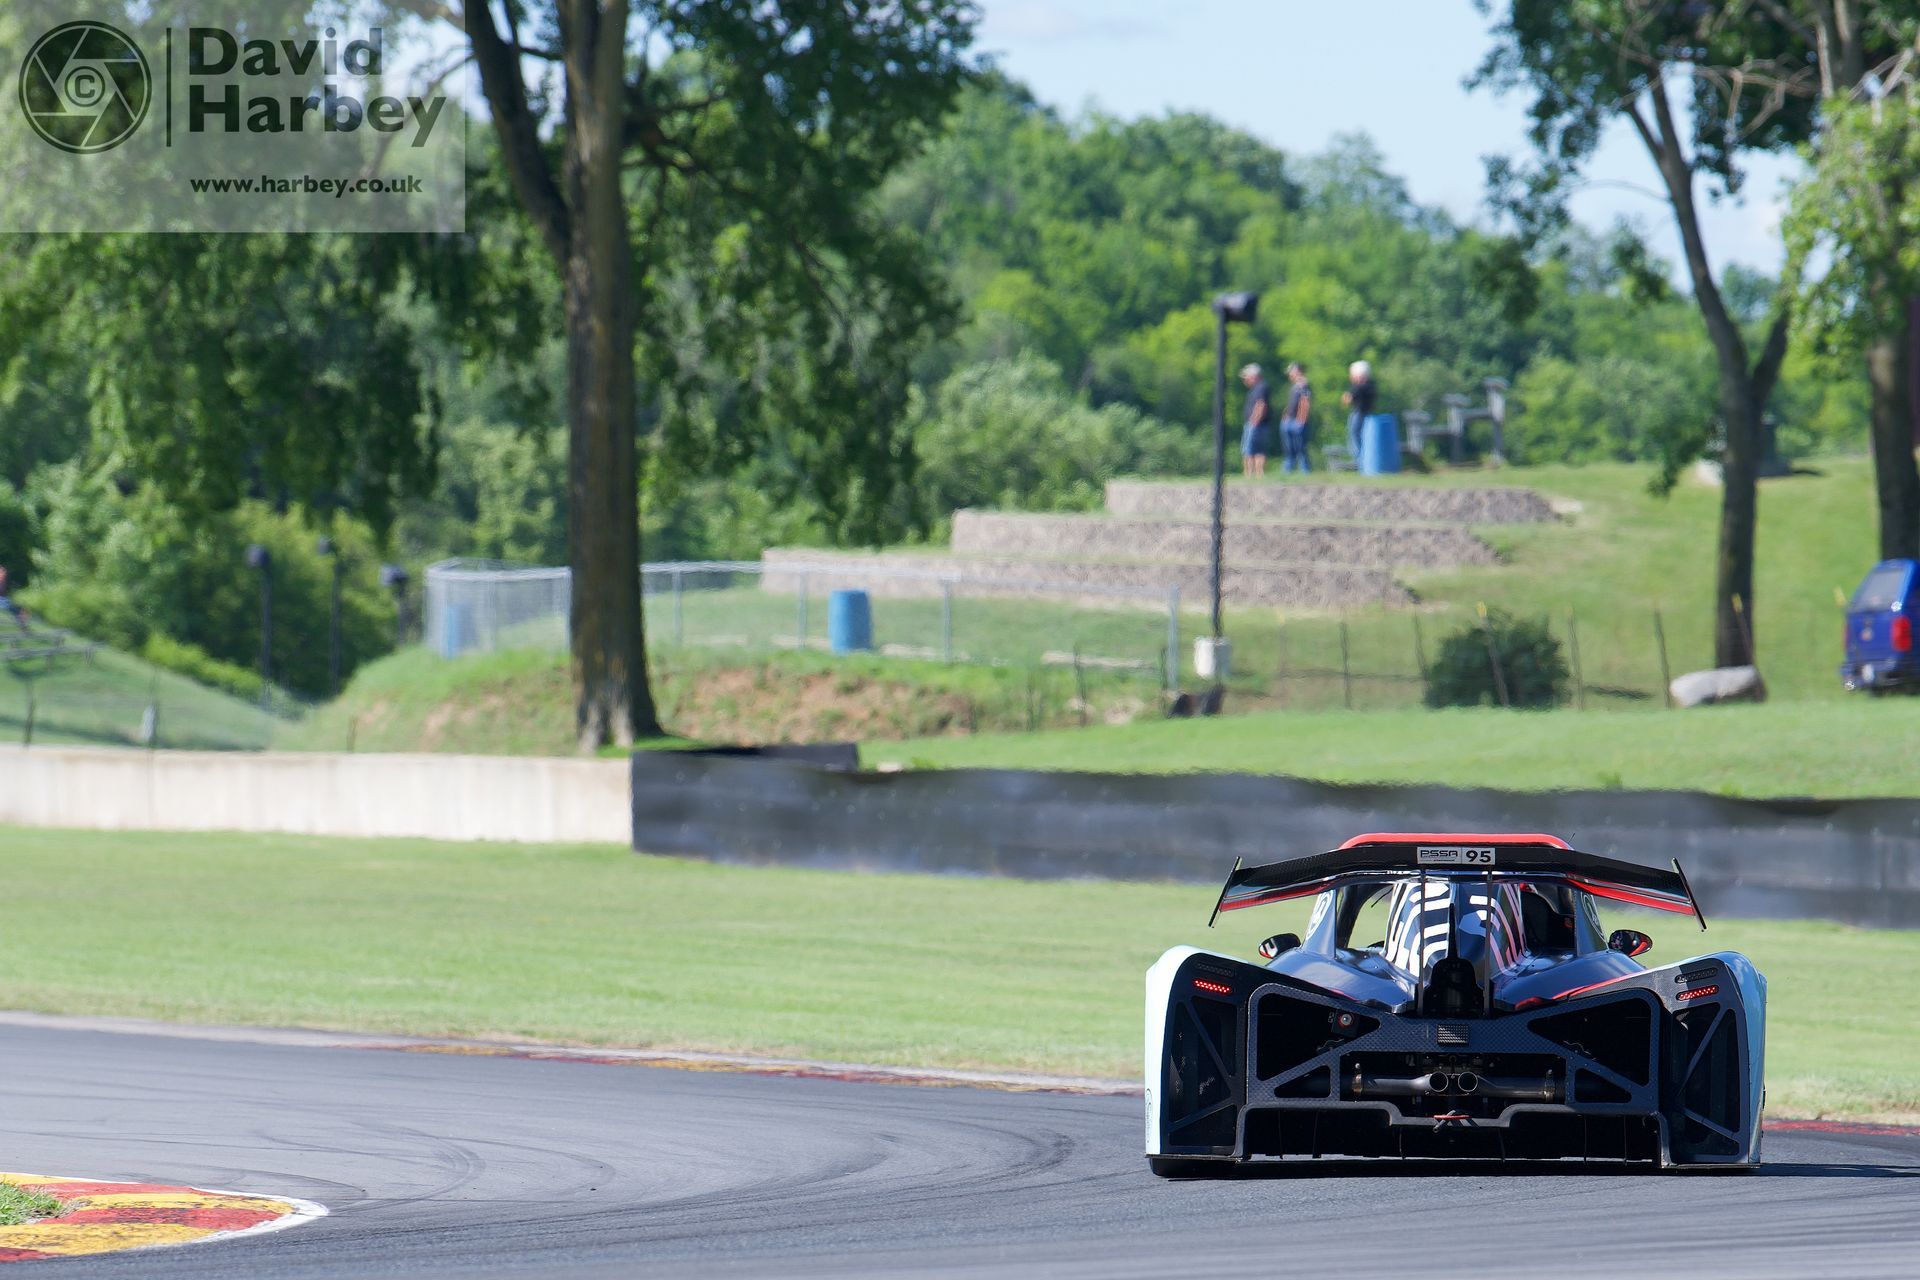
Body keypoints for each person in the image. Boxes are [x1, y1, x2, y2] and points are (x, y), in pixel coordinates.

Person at [1239, 363, 1272, 478]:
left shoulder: (1261, 387)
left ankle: (1250, 474)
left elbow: (1261, 405)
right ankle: (1257, 475)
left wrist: (1254, 420)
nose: (1245, 379)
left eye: (1246, 377)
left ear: (1254, 376)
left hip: (1256, 424)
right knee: (1257, 449)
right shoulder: (1258, 388)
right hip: (1258, 424)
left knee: (1249, 449)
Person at [1341, 360, 1377, 461]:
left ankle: (1359, 458)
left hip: (1359, 414)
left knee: (1354, 434)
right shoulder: (1371, 385)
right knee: (1365, 436)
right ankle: (1364, 458)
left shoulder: (1359, 387)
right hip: (1368, 414)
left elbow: (1347, 399)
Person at [1280, 362, 1312, 474]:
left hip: (1297, 421)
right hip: (1289, 420)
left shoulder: (1303, 385)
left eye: (1291, 372)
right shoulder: (1295, 386)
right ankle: (1288, 470)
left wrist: (1301, 419)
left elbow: (1305, 403)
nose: (1290, 375)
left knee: (1300, 448)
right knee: (1289, 448)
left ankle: (1305, 470)